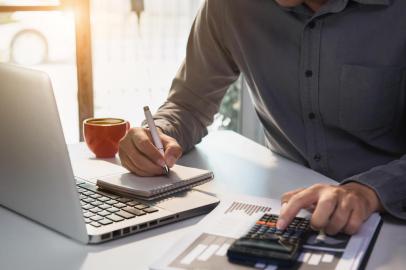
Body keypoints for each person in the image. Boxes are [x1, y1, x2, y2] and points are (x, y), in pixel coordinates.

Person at [119, 0, 406, 235]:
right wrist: (158, 135)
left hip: (389, 223)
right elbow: (189, 103)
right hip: (281, 212)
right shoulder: (230, 7)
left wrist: (368, 192)